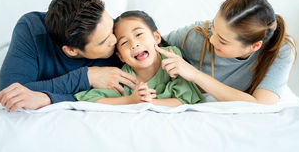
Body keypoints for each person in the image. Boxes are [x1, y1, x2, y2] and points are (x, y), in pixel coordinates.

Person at [0, 0, 138, 112]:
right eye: (103, 41)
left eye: (111, 28)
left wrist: (46, 98)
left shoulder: (119, 33)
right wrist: (86, 77)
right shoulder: (32, 29)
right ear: (71, 50)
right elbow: (10, 93)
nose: (115, 40)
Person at [156, 0, 296, 105]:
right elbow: (151, 45)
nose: (211, 39)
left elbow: (261, 104)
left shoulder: (280, 50)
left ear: (255, 46)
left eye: (222, 40)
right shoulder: (197, 36)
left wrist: (195, 75)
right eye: (214, 27)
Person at [75, 10, 204, 107]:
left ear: (156, 37)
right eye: (124, 42)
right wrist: (130, 100)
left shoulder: (171, 57)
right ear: (121, 57)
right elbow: (89, 99)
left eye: (139, 34)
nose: (134, 44)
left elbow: (186, 99)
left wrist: (147, 102)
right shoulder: (124, 78)